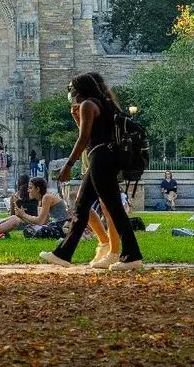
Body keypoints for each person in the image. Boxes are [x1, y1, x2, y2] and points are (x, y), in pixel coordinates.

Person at [38, 73, 145, 270]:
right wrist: (76, 118)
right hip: (102, 157)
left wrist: (68, 165)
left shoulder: (88, 104)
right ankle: (63, 253)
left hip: (101, 158)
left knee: (114, 208)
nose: (69, 93)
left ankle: (132, 256)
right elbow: (92, 133)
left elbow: (84, 138)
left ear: (80, 88)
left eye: (71, 89)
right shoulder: (101, 103)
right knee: (81, 206)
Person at [0, 177, 67, 235]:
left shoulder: (47, 197)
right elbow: (42, 222)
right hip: (55, 225)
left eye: (30, 188)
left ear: (37, 189)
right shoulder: (41, 200)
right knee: (27, 226)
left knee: (30, 230)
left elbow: (40, 221)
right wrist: (21, 216)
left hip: (62, 226)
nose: (28, 191)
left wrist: (24, 215)